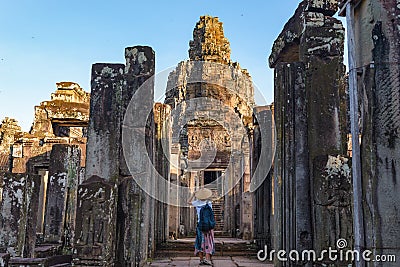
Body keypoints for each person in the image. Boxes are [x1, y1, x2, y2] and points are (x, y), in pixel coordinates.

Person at [188, 188, 215, 266]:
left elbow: (188, 202)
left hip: (200, 225)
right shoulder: (209, 203)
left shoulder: (197, 203)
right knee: (208, 242)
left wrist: (193, 194)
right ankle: (207, 259)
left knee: (200, 242)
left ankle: (201, 259)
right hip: (209, 226)